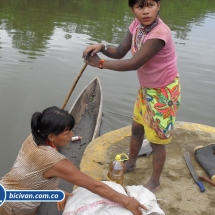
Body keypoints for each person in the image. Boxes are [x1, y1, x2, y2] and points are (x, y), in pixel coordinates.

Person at [83, 0, 181, 193]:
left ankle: (155, 181)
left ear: (158, 5)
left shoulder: (160, 33)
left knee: (156, 141)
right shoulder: (137, 25)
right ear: (132, 9)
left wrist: (100, 64)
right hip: (146, 89)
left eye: (150, 5)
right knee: (137, 129)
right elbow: (120, 52)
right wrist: (102, 47)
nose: (145, 11)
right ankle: (132, 162)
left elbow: (133, 63)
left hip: (163, 92)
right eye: (139, 7)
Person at [0, 106, 146, 215]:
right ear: (51, 136)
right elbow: (95, 186)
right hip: (15, 203)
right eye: (67, 132)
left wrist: (54, 191)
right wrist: (127, 201)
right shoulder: (57, 162)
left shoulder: (33, 138)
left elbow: (32, 174)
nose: (72, 134)